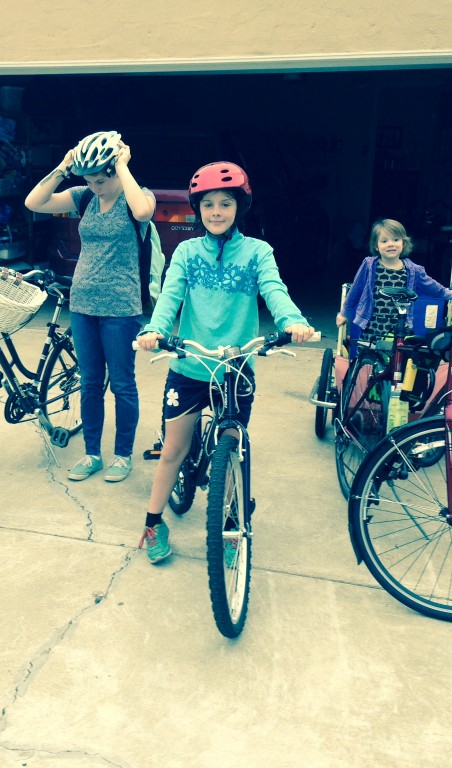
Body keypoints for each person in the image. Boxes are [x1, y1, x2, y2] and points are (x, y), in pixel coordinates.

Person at [135, 162, 316, 563]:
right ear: (198, 209)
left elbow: (274, 289)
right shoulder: (185, 251)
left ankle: (234, 525)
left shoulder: (257, 252)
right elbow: (170, 297)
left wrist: (293, 321)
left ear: (240, 207)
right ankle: (152, 523)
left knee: (234, 449)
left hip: (236, 369)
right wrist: (155, 329)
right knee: (173, 451)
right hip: (189, 366)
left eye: (226, 203)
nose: (216, 212)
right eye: (209, 205)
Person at [25, 131, 155, 483]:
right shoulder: (83, 198)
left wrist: (124, 166)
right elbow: (34, 203)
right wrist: (63, 168)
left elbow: (144, 212)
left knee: (123, 385)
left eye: (101, 179)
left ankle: (123, 456)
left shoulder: (136, 197)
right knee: (90, 382)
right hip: (82, 305)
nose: (95, 186)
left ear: (115, 171)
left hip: (120, 308)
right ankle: (92, 453)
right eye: (90, 180)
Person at [337, 218, 452, 341]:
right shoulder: (369, 265)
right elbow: (356, 289)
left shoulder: (413, 269)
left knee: (397, 358)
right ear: (376, 245)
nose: (391, 244)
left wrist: (448, 293)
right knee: (369, 358)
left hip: (400, 325)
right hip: (372, 322)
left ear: (403, 243)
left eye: (396, 240)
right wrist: (344, 314)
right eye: (384, 241)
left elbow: (431, 285)